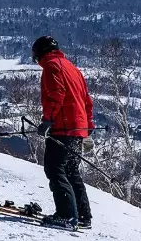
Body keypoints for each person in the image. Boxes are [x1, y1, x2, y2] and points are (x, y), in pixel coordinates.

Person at [32, 35, 94, 231]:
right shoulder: (72, 67)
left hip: (63, 126)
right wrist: (88, 123)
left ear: (39, 53)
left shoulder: (52, 66)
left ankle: (67, 215)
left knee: (54, 168)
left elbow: (56, 94)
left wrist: (47, 119)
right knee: (71, 170)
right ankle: (83, 215)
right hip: (78, 128)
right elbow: (86, 99)